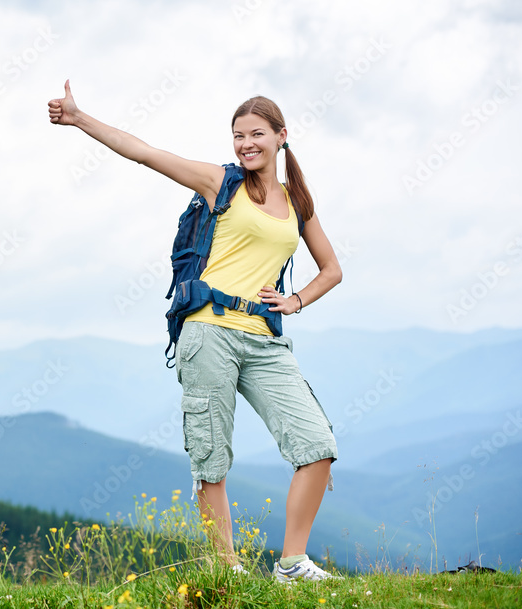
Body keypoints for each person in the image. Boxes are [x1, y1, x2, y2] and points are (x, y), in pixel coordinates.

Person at [47, 80, 341, 582]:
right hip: (208, 332)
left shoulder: (297, 202)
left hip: (265, 338)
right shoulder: (219, 183)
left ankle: (292, 564)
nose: (246, 144)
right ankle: (227, 571)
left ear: (281, 136)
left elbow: (331, 269)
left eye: (256, 134)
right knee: (211, 457)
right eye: (237, 135)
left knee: (316, 447)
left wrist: (294, 301)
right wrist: (80, 118)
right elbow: (145, 153)